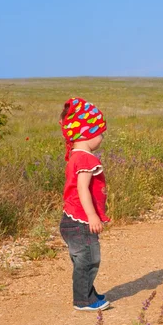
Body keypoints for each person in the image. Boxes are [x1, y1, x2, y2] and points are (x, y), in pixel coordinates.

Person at [59, 97, 110, 311]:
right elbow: (82, 189)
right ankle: (84, 300)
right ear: (87, 134)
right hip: (81, 220)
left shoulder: (75, 155)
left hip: (70, 218)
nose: (102, 137)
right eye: (100, 132)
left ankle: (88, 292)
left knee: (82, 258)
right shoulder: (87, 159)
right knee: (88, 259)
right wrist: (92, 216)